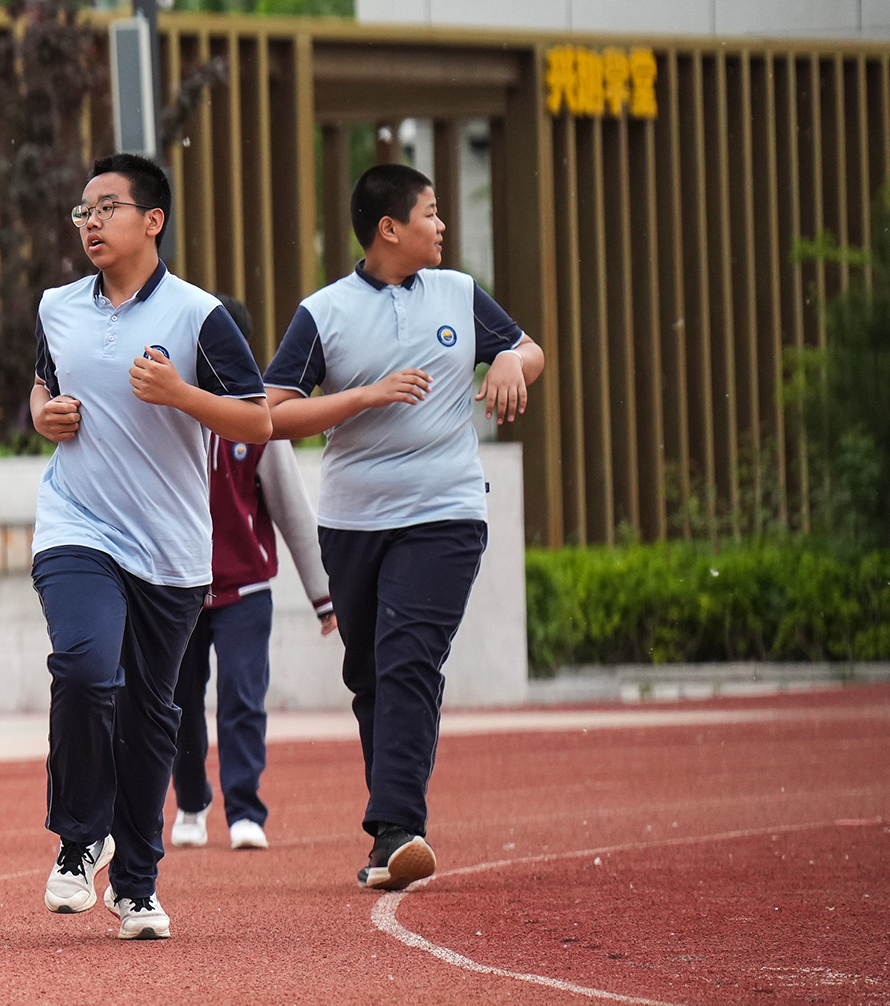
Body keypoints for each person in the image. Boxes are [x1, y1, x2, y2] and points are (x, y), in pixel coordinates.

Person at [263, 162, 545, 891]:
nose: (441, 224)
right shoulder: (321, 312)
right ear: (389, 228)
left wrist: (513, 362)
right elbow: (273, 412)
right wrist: (361, 397)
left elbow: (527, 348)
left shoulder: (457, 293)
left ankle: (397, 829)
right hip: (351, 521)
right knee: (369, 675)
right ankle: (393, 831)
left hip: (444, 510)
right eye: (429, 212)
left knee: (408, 657)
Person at [29, 153, 271, 942]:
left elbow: (255, 421)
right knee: (84, 665)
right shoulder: (56, 307)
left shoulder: (199, 316)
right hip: (77, 524)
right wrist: (42, 414)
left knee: (148, 718)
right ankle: (76, 840)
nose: (90, 222)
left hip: (169, 548)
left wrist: (180, 395)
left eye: (107, 208)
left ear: (152, 220)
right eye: (82, 212)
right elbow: (42, 382)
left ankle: (135, 883)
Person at [168, 298, 336, 854]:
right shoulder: (172, 416)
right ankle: (191, 803)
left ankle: (245, 809)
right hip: (179, 587)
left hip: (246, 589)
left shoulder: (259, 425)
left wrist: (324, 596)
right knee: (178, 703)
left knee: (243, 697)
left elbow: (292, 510)